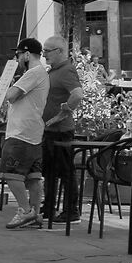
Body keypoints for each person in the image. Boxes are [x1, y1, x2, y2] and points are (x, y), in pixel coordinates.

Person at [3, 42, 52, 228]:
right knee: (33, 176)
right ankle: (35, 214)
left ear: (26, 55)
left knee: (11, 174)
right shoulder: (38, 73)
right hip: (32, 131)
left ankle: (24, 211)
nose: (16, 58)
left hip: (21, 133)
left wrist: (8, 86)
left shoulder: (34, 72)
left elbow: (11, 95)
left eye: (18, 54)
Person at [41, 37, 82, 227]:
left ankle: (71, 210)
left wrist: (62, 114)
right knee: (49, 171)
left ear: (59, 51)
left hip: (61, 131)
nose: (44, 54)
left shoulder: (66, 70)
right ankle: (49, 206)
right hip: (49, 129)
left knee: (65, 171)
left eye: (47, 50)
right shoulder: (54, 71)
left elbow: (77, 94)